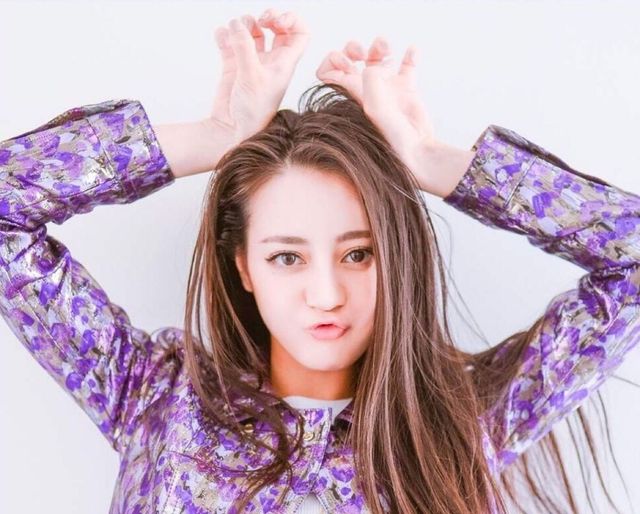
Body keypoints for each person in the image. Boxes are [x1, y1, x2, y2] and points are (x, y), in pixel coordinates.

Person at [0, 7, 638, 514]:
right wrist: (214, 138)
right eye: (287, 258)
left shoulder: (473, 417)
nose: (327, 295)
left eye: (358, 253)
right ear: (243, 266)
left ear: (397, 258)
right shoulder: (156, 395)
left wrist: (433, 162)